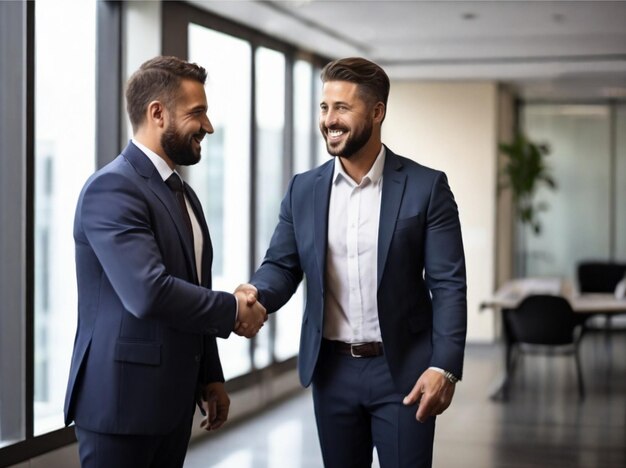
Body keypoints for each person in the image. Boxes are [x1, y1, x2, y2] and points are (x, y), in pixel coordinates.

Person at [237, 57, 467, 467]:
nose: (330, 120)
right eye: (324, 108)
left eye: (342, 108)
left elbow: (448, 284)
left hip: (405, 371)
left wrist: (444, 367)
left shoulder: (426, 187)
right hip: (332, 373)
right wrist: (256, 293)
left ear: (377, 112)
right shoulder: (303, 190)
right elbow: (283, 265)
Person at [64, 56, 266, 468]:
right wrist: (232, 310)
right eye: (197, 113)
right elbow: (149, 292)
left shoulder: (183, 194)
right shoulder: (112, 188)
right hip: (120, 408)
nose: (207, 127)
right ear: (157, 113)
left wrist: (210, 375)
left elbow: (192, 285)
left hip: (170, 406)